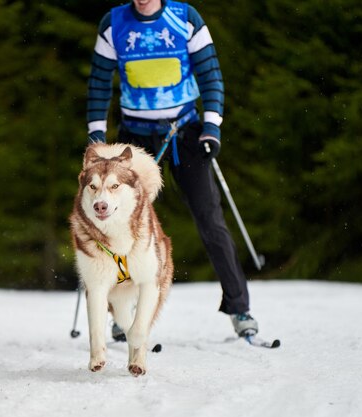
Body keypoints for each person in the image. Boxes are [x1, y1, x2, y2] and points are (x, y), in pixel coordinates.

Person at [86, 0, 259, 339]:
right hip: (133, 140)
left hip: (184, 132)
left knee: (210, 219)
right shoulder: (114, 23)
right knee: (122, 228)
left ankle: (240, 309)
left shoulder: (185, 18)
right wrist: (96, 133)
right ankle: (123, 313)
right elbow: (98, 81)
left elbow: (211, 76)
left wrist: (212, 128)